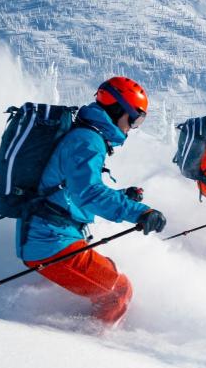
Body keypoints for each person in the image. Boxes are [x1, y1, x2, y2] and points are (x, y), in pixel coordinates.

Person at [17, 76, 167, 325]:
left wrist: (122, 196)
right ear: (119, 109)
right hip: (52, 241)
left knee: (108, 271)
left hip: (51, 236)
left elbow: (72, 188)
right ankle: (91, 345)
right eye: (135, 118)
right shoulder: (87, 140)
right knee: (118, 292)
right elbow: (88, 193)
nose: (133, 127)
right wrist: (139, 212)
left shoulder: (87, 136)